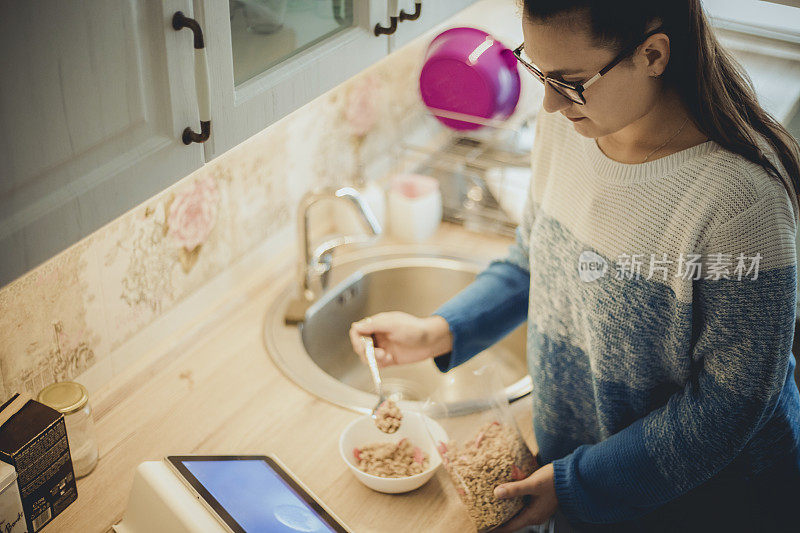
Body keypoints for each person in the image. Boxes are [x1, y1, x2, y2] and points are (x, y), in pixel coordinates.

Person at [348, 0, 800, 530]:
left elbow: (730, 407)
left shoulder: (740, 201)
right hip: (588, 476)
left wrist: (579, 484)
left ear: (653, 55)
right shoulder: (571, 125)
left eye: (570, 79)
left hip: (710, 504)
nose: (548, 104)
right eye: (538, 71)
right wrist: (440, 331)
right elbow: (536, 257)